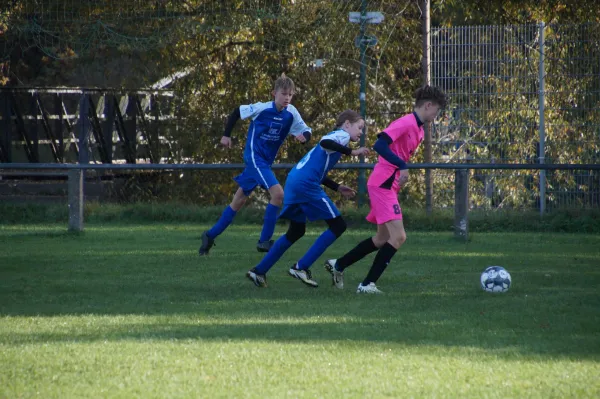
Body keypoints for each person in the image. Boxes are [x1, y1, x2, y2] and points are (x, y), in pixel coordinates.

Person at [324, 85, 447, 294]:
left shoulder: (418, 129)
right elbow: (380, 145)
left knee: (382, 239)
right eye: (437, 110)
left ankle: (339, 264)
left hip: (388, 184)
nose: (437, 115)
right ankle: (367, 284)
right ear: (428, 105)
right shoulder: (406, 122)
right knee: (399, 237)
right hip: (382, 185)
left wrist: (400, 172)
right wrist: (402, 166)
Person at [246, 110, 370, 288]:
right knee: (338, 225)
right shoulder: (341, 135)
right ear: (347, 124)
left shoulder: (336, 137)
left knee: (296, 231)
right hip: (306, 184)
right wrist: (352, 151)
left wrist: (337, 187)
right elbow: (324, 142)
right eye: (359, 127)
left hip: (294, 181)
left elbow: (315, 168)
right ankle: (301, 267)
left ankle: (258, 271)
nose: (361, 132)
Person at [199, 74, 312, 255]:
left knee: (238, 201)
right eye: (284, 94)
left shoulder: (291, 113)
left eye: (290, 95)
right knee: (278, 194)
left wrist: (304, 137)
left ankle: (209, 235)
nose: (287, 98)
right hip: (254, 158)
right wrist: (226, 135)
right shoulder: (261, 108)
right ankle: (264, 241)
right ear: (274, 93)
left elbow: (306, 130)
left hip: (264, 163)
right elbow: (237, 111)